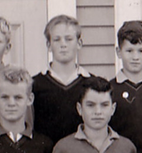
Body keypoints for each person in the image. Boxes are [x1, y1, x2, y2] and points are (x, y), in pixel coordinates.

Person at [32, 15, 98, 144]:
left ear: (79, 43)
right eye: (57, 39)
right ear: (49, 45)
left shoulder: (92, 84)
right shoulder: (35, 84)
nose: (63, 44)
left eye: (69, 39)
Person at [108, 21, 142, 152]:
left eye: (141, 51)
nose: (135, 57)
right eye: (129, 51)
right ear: (118, 52)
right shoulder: (109, 89)